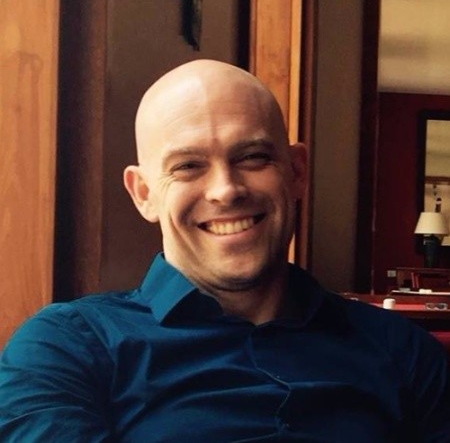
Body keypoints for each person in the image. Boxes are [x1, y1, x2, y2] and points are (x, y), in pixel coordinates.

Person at [0, 60, 449, 442]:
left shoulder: (404, 352)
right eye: (187, 166)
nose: (226, 190)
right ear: (144, 194)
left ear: (296, 172)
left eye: (252, 157)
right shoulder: (63, 350)